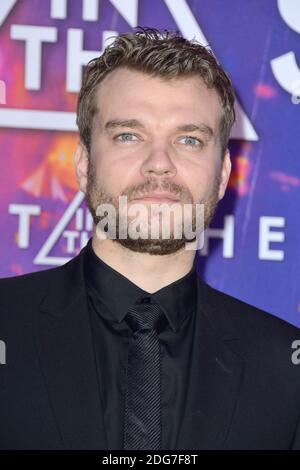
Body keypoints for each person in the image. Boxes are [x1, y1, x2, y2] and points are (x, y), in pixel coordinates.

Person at [0, 27, 300, 451]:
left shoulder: (285, 368)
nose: (159, 165)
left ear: (222, 176)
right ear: (85, 164)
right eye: (128, 135)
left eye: (189, 139)